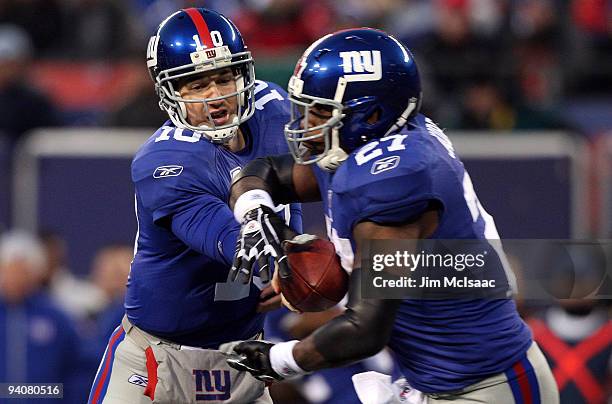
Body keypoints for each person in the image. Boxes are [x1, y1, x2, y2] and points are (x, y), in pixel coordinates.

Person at [224, 28, 560, 403]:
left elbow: (366, 329)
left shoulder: (397, 178)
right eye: (304, 109)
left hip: (487, 386)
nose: (305, 124)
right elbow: (266, 172)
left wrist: (279, 359)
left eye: (320, 112)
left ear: (372, 114)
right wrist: (262, 218)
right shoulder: (361, 145)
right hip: (428, 379)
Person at [87, 7, 301, 404]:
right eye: (197, 85)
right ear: (170, 91)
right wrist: (297, 266)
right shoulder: (164, 160)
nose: (216, 96)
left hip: (243, 361)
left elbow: (303, 188)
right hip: (156, 363)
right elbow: (235, 245)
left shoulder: (275, 111)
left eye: (224, 78)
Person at [0, 230, 81, 403]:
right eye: (8, 271)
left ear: (35, 273)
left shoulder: (57, 318)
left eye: (21, 272)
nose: (14, 278)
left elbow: (75, 370)